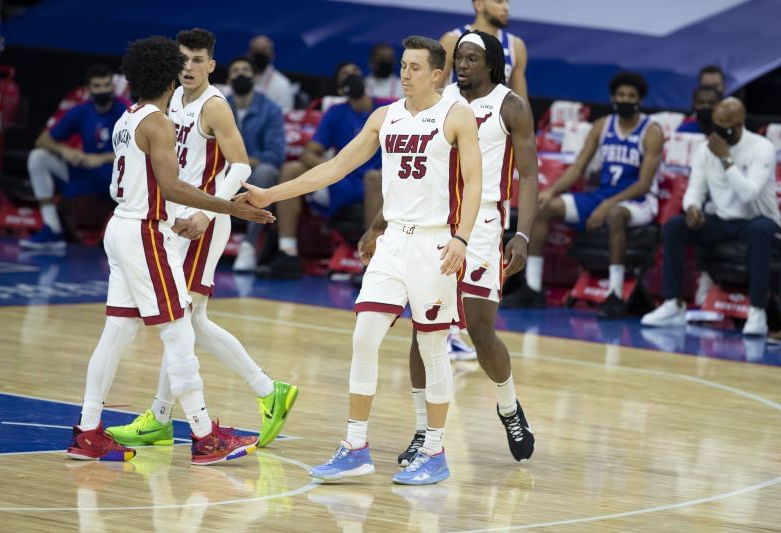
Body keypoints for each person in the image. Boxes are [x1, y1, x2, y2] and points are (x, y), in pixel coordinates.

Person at [244, 35, 482, 485]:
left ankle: (435, 450)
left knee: (433, 350)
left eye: (414, 68)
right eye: (403, 66)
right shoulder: (384, 116)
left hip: (435, 244)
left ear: (436, 74)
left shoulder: (456, 116)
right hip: (393, 242)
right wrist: (270, 193)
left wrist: (463, 239)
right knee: (363, 337)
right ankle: (355, 445)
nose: (405, 74)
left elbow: (474, 182)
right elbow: (335, 167)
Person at [66, 35, 275, 465]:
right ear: (167, 74)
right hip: (145, 231)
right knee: (180, 330)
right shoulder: (158, 122)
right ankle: (204, 436)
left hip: (120, 226)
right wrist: (228, 208)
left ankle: (89, 430)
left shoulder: (127, 117)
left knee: (117, 332)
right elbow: (173, 187)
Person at [360, 31, 539, 466]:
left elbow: (530, 177)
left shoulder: (510, 106)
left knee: (480, 330)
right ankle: (424, 430)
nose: (462, 63)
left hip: (484, 224)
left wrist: (522, 234)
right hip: (436, 223)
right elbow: (412, 173)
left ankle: (509, 406)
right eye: (459, 56)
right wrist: (378, 224)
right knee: (427, 327)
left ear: (492, 64)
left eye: (472, 58)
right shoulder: (438, 101)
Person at [505, 71, 664, 319]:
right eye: (620, 95)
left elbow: (644, 184)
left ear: (639, 100)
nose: (625, 99)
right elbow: (578, 168)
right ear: (613, 97)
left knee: (614, 215)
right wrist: (551, 191)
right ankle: (533, 288)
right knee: (544, 208)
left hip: (637, 202)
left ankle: (615, 294)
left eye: (630, 96)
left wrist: (606, 205)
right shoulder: (602, 126)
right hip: (603, 195)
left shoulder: (651, 131)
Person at [642, 98, 779, 336]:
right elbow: (695, 189)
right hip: (722, 221)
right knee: (676, 226)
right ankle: (672, 304)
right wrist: (692, 208)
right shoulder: (705, 150)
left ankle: (757, 312)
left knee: (760, 230)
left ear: (739, 124)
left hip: (758, 220)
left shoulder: (762, 148)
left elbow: (748, 194)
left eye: (725, 124)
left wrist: (726, 159)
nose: (719, 128)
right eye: (716, 122)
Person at [258, 62, 384, 279]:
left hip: (378, 183)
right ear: (339, 87)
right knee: (290, 169)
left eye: (354, 73)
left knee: (374, 178)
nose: (351, 77)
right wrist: (336, 167)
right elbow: (309, 153)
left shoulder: (385, 109)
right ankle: (287, 252)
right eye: (345, 75)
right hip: (342, 180)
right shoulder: (336, 113)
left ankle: (372, 263)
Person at [19, 64, 129, 250]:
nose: (102, 90)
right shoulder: (81, 110)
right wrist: (65, 151)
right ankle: (52, 229)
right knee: (38, 157)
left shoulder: (126, 110)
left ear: (112, 87)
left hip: (117, 175)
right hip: (85, 172)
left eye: (106, 85)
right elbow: (42, 140)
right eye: (97, 86)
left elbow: (139, 148)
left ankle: (126, 238)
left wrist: (102, 158)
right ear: (89, 89)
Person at [225, 56, 286, 272]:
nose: (241, 74)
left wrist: (243, 162)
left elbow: (276, 154)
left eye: (245, 70)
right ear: (229, 78)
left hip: (253, 175)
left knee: (266, 173)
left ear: (254, 77)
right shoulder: (219, 107)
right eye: (235, 70)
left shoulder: (270, 109)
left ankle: (249, 246)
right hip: (224, 171)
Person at [437, 0, 528, 99]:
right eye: (499, 2)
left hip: (494, 114)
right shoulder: (452, 40)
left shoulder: (515, 46)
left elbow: (521, 104)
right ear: (479, 5)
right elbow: (432, 92)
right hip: (457, 113)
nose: (506, 7)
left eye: (507, 2)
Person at [247, 35, 294, 113]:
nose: (259, 56)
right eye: (255, 51)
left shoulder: (282, 85)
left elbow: (283, 116)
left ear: (272, 55)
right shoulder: (239, 80)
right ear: (249, 54)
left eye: (263, 51)